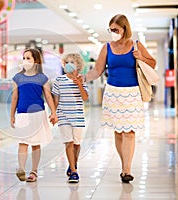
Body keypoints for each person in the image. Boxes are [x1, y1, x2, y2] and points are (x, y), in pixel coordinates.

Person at [80, 14, 156, 183]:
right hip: (113, 93)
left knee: (129, 132)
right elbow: (97, 71)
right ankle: (124, 165)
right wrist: (83, 78)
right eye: (111, 29)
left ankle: (127, 169)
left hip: (132, 93)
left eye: (116, 29)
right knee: (119, 132)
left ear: (124, 29)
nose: (113, 32)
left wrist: (140, 57)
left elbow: (152, 63)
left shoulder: (136, 45)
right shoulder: (106, 47)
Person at [10, 48, 58, 182]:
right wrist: (12, 115)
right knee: (23, 143)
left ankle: (34, 172)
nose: (25, 61)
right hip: (22, 114)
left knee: (36, 144)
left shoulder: (42, 78)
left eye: (28, 58)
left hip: (38, 114)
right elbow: (15, 97)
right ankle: (21, 168)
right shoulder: (17, 77)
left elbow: (48, 97)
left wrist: (54, 113)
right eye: (24, 58)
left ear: (36, 61)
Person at [52, 53, 89, 183]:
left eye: (72, 62)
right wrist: (53, 113)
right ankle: (74, 171)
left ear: (78, 65)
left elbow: (85, 98)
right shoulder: (59, 80)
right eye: (66, 62)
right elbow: (55, 99)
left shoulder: (82, 79)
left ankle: (73, 163)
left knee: (77, 144)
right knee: (69, 142)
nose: (69, 64)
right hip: (63, 115)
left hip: (77, 115)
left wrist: (79, 83)